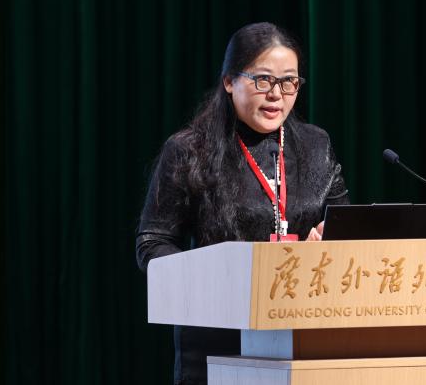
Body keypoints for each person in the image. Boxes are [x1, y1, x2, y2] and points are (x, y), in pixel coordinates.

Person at [135, 22, 349, 384]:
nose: (276, 94)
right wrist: (221, 274)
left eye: (289, 82)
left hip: (304, 334)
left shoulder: (316, 146)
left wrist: (329, 240)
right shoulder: (190, 150)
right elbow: (152, 244)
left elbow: (345, 227)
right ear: (229, 81)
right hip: (217, 339)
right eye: (263, 80)